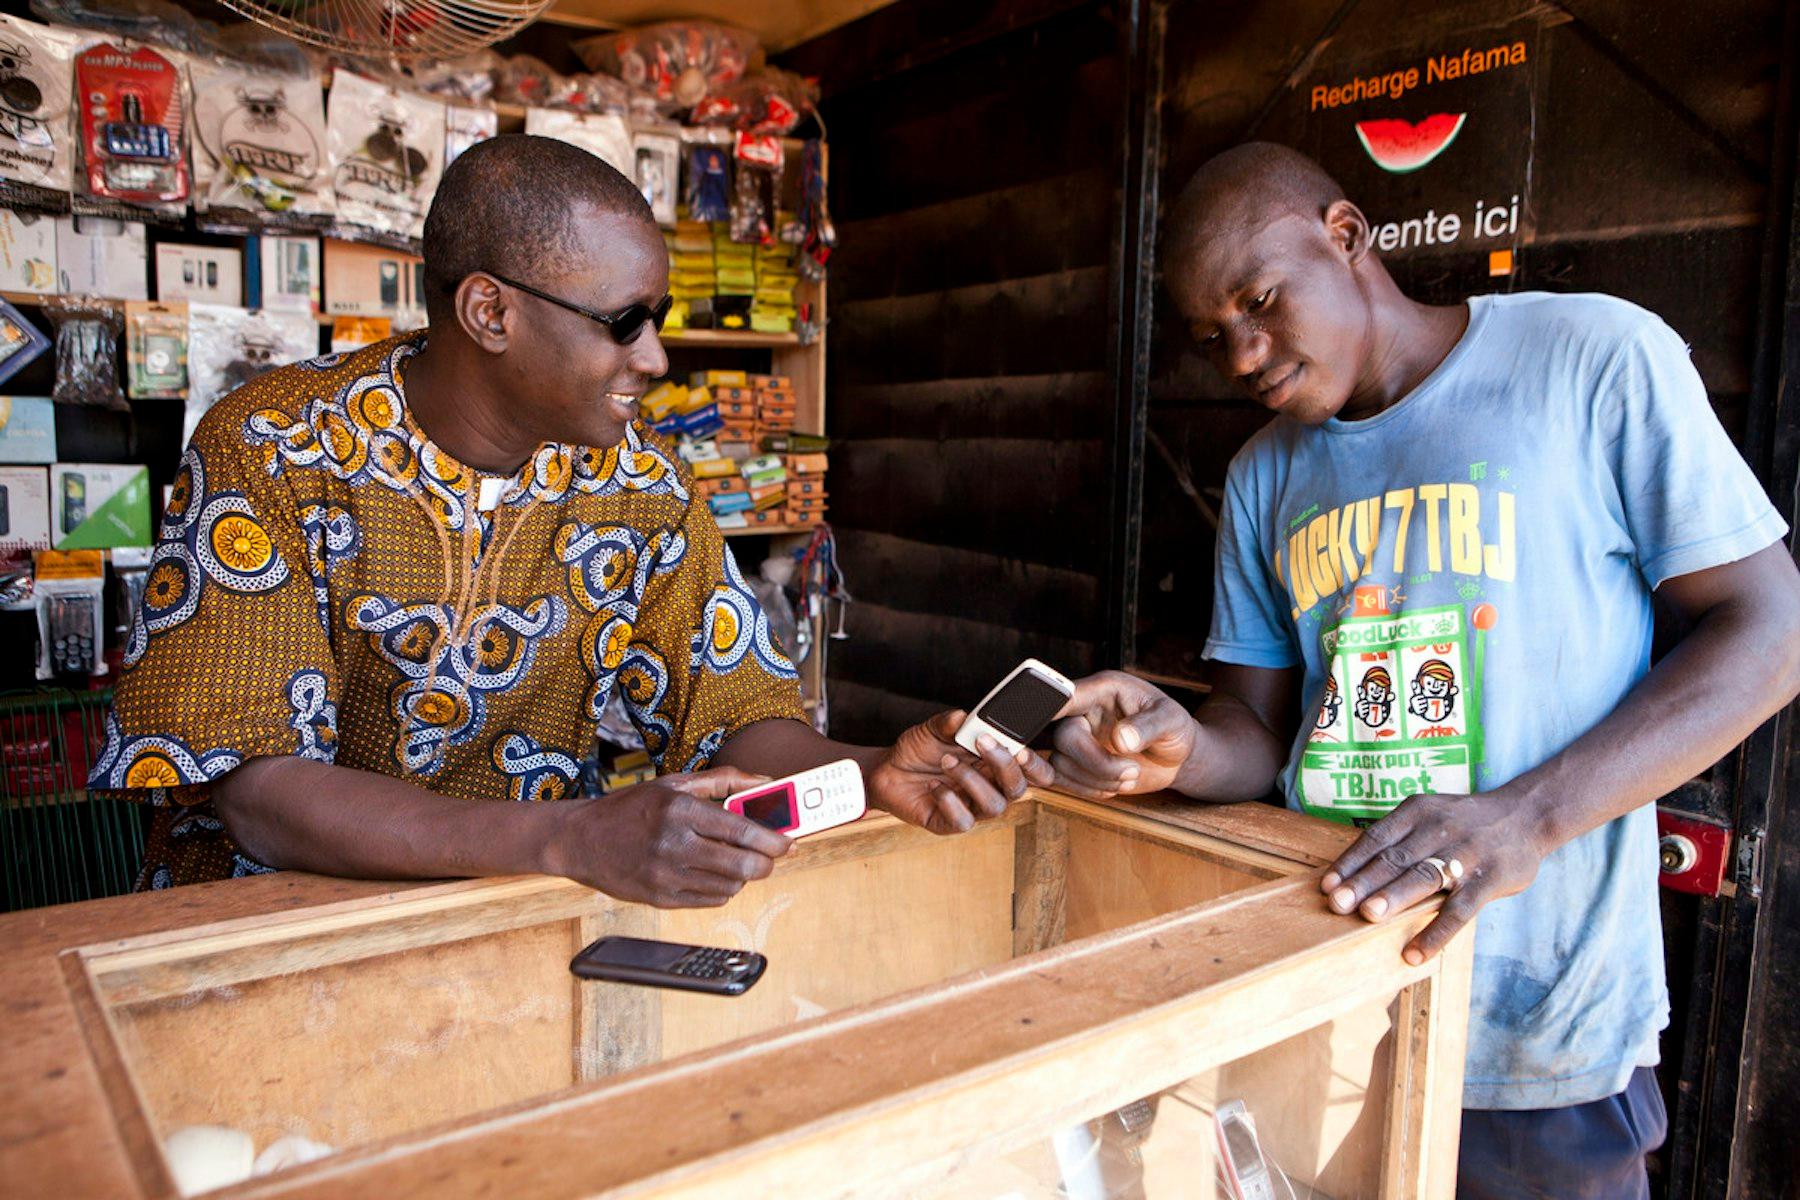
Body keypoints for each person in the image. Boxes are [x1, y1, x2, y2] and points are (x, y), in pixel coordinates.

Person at [1050, 143, 1800, 1198]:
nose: (1243, 353)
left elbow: (1772, 633)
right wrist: (1173, 747)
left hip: (1537, 1041)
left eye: (1260, 301)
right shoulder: (1264, 473)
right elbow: (1256, 733)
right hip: (1326, 1004)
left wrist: (1525, 818)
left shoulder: (1590, 358)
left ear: (1346, 236)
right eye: (1213, 336)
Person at [92, 134, 1047, 902]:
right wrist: (572, 837)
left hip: (522, 913)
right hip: (267, 930)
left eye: (660, 317)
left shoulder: (642, 486)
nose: (658, 358)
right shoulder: (271, 447)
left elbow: (736, 721)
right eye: (626, 321)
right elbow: (259, 793)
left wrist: (872, 771)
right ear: (490, 312)